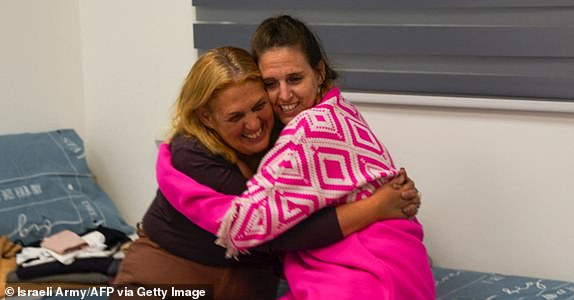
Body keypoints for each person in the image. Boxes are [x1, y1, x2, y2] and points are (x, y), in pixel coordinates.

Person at [155, 16, 434, 300]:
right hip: (403, 267)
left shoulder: (306, 130)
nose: (284, 95)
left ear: (319, 72)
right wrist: (378, 205)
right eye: (271, 84)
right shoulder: (340, 110)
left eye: (295, 79)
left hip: (366, 275)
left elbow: (244, 225)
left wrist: (168, 173)